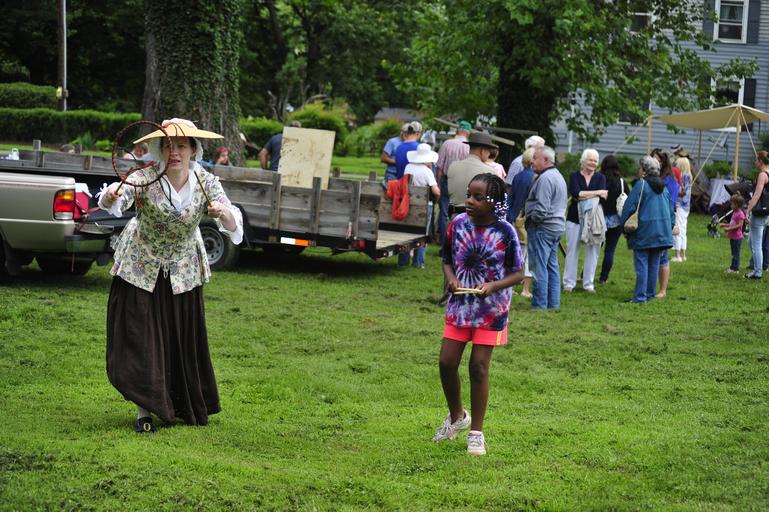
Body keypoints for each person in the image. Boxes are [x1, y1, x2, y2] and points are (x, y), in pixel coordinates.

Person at [97, 118, 244, 433]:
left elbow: (233, 224)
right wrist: (110, 196)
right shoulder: (144, 177)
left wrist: (223, 213)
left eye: (180, 145)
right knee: (141, 338)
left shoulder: (206, 182)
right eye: (167, 145)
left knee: (177, 339)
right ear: (159, 149)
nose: (174, 152)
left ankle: (177, 403)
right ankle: (143, 410)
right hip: (140, 267)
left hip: (183, 270)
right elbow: (116, 199)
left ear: (193, 149)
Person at [434, 173, 523, 456]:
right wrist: (451, 278)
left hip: (491, 311)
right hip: (460, 307)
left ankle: (476, 433)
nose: (470, 201)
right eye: (469, 195)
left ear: (494, 202)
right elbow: (446, 259)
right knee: (446, 362)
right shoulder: (457, 224)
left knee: (478, 367)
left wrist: (493, 286)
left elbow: (519, 273)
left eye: (478, 197)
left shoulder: (506, 232)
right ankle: (458, 416)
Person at [619, 156, 674, 304]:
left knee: (642, 264)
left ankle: (640, 297)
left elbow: (629, 207)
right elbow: (671, 211)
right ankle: (649, 294)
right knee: (654, 263)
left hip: (643, 231)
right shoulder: (664, 187)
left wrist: (624, 227)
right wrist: (669, 227)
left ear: (643, 170)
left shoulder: (641, 185)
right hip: (661, 232)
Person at [524, 145, 567, 310]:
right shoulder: (558, 176)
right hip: (556, 227)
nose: (532, 161)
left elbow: (542, 208)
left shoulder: (545, 179)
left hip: (542, 227)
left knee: (539, 268)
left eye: (535, 158)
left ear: (547, 160)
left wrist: (532, 221)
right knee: (551, 267)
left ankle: (539, 305)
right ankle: (553, 304)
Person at [563, 148, 607, 292]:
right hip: (574, 218)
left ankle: (588, 284)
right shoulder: (574, 176)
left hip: (593, 219)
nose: (593, 163)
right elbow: (576, 193)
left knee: (593, 251)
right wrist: (597, 193)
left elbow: (603, 196)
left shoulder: (601, 177)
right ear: (583, 161)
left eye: (595, 161)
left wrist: (585, 194)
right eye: (590, 160)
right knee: (572, 250)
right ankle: (569, 283)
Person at [401, 143, 441, 268]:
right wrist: (436, 200)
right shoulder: (427, 171)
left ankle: (403, 261)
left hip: (409, 203)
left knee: (407, 232)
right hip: (424, 205)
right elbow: (436, 191)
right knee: (422, 233)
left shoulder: (408, 167)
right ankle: (418, 263)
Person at [435, 121, 471, 245]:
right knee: (461, 212)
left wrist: (438, 184)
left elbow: (439, 167)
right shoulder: (469, 147)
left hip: (447, 180)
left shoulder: (447, 143)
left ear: (457, 130)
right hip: (463, 182)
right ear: (468, 133)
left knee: (444, 213)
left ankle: (444, 242)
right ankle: (458, 242)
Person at [506, 147, 536, 297]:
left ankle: (509, 286)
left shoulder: (517, 176)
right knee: (529, 254)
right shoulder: (536, 178)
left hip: (513, 218)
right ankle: (525, 289)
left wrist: (508, 216)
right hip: (527, 219)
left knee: (515, 253)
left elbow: (510, 198)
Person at [650, 148, 679, 298]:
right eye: (652, 159)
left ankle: (662, 290)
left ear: (662, 162)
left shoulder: (669, 180)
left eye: (657, 160)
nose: (653, 162)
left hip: (663, 220)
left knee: (662, 256)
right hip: (651, 220)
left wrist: (669, 223)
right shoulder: (652, 177)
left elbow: (671, 204)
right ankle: (649, 287)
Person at [597, 155, 627, 284]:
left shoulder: (599, 179)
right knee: (610, 250)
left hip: (599, 219)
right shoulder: (622, 183)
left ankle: (585, 274)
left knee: (595, 250)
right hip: (616, 220)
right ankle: (603, 278)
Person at [745, 151, 769, 279]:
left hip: (759, 213)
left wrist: (748, 210)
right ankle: (757, 268)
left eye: (756, 160)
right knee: (752, 243)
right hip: (765, 213)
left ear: (760, 161)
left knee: (756, 245)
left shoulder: (762, 175)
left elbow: (757, 195)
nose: (755, 162)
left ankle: (758, 272)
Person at [672, 156, 692, 262]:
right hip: (686, 207)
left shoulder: (683, 177)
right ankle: (683, 254)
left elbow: (681, 192)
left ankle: (677, 255)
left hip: (680, 205)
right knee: (683, 230)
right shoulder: (689, 176)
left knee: (677, 229)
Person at [720, 194, 746, 273]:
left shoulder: (740, 214)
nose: (731, 205)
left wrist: (729, 229)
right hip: (733, 237)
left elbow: (740, 225)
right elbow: (733, 223)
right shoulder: (735, 212)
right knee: (733, 253)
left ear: (737, 205)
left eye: (732, 204)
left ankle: (735, 268)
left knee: (736, 253)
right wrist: (725, 225)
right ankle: (733, 267)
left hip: (737, 238)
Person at [381, 123, 408, 190]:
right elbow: (384, 158)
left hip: (405, 175)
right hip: (392, 174)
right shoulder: (392, 142)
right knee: (390, 194)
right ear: (401, 132)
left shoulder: (410, 143)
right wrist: (399, 162)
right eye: (405, 132)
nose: (407, 135)